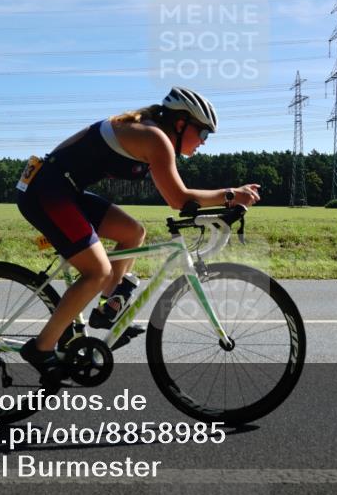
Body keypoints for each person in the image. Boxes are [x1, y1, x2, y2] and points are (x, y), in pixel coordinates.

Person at [15, 86, 261, 381]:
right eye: (204, 134)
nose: (204, 143)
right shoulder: (154, 137)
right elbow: (178, 199)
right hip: (48, 192)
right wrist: (231, 195)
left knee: (133, 233)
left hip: (63, 189)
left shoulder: (152, 132)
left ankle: (108, 309)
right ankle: (40, 349)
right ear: (181, 124)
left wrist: (223, 204)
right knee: (98, 271)